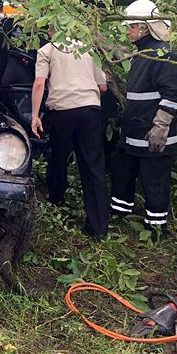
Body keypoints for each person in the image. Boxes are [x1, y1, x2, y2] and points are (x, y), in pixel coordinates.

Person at [110, 0, 177, 237]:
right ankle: (120, 214)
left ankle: (156, 227)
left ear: (144, 27)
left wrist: (161, 126)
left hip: (154, 134)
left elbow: (172, 94)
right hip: (133, 132)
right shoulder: (141, 55)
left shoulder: (165, 56)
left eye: (131, 26)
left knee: (155, 181)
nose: (128, 31)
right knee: (123, 173)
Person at [31, 27, 109, 238]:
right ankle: (98, 226)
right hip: (90, 111)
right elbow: (103, 87)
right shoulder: (88, 49)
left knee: (58, 157)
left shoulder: (47, 50)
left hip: (62, 112)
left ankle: (56, 200)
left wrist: (35, 115)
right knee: (93, 165)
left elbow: (40, 83)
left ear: (51, 29)